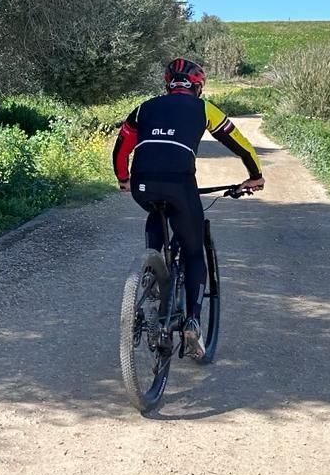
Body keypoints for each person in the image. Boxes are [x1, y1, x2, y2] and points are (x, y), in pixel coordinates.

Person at [112, 57, 265, 358]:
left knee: (156, 209)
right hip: (180, 185)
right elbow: (240, 144)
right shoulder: (204, 108)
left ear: (167, 85)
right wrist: (255, 176)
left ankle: (152, 268)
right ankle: (192, 321)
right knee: (194, 250)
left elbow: (121, 146)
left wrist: (123, 178)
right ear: (198, 86)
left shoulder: (144, 108)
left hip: (142, 184)